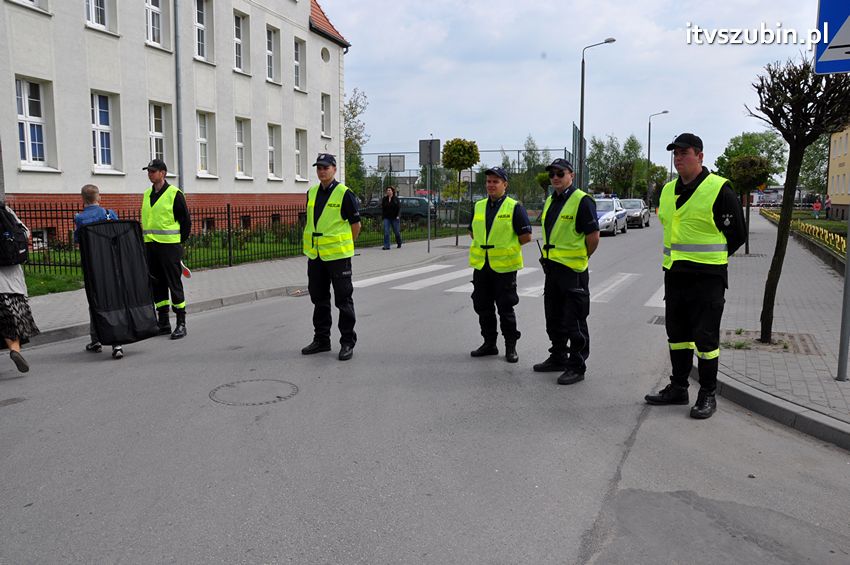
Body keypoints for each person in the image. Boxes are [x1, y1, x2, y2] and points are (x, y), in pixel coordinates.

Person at [645, 133, 746, 419]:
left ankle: (707, 393)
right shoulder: (667, 191)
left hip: (707, 279)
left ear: (700, 156)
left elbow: (737, 235)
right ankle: (678, 387)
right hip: (675, 276)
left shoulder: (719, 189)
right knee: (677, 335)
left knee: (705, 339)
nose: (678, 157)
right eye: (675, 153)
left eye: (684, 152)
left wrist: (710, 262)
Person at [534, 158, 600, 384]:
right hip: (552, 269)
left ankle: (577, 366)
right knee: (553, 317)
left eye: (559, 173)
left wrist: (582, 257)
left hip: (573, 270)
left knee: (575, 320)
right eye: (552, 174)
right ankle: (558, 356)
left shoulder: (582, 200)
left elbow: (593, 237)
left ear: (571, 174)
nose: (555, 178)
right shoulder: (551, 200)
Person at [467, 167, 533, 363]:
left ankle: (510, 347)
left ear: (505, 184)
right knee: (482, 306)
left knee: (505, 308)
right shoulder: (479, 206)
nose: (491, 185)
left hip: (504, 267)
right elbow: (472, 232)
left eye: (496, 181)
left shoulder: (514, 207)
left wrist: (505, 248)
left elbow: (526, 236)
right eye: (488, 181)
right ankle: (489, 344)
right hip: (482, 266)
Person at [301, 153, 361, 361]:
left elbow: (356, 225)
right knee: (319, 299)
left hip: (338, 257)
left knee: (343, 301)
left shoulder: (345, 194)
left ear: (334, 169)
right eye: (319, 167)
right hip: (316, 255)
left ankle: (346, 343)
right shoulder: (311, 192)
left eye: (326, 167)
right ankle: (322, 340)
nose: (322, 171)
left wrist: (344, 245)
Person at [140, 159, 191, 340]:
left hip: (169, 247)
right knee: (157, 284)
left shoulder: (174, 194)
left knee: (173, 283)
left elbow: (185, 223)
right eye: (149, 171)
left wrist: (177, 243)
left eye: (153, 171)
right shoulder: (147, 194)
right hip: (151, 246)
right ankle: (163, 323)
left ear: (163, 173)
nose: (150, 174)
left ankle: (181, 323)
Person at [74, 184, 123, 359]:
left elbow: (77, 240)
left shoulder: (80, 219)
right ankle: (117, 343)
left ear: (82, 199)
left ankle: (96, 340)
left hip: (92, 267)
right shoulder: (109, 214)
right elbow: (119, 234)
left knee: (95, 301)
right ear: (99, 197)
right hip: (110, 264)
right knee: (113, 300)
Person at [0, 201, 38, 373]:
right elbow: (25, 233)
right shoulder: (5, 211)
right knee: (12, 322)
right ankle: (15, 351)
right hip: (12, 281)